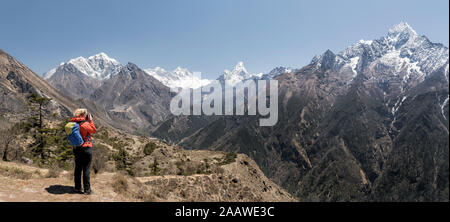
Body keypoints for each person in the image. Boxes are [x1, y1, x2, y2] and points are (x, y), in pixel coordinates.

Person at [71, 108, 96, 195]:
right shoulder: (84, 124)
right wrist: (91, 121)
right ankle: (87, 189)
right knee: (86, 169)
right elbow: (93, 130)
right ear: (83, 115)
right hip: (86, 148)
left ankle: (77, 188)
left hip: (77, 148)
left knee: (78, 168)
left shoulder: (73, 123)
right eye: (85, 114)